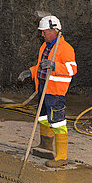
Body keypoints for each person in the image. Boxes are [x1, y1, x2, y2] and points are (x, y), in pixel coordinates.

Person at [18, 15, 77, 167]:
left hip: (55, 92)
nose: (42, 35)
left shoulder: (65, 48)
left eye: (44, 32)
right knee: (43, 117)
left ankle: (62, 157)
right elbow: (41, 66)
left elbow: (72, 69)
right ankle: (46, 146)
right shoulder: (45, 46)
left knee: (57, 122)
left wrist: (55, 65)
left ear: (54, 30)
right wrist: (30, 72)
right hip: (43, 87)